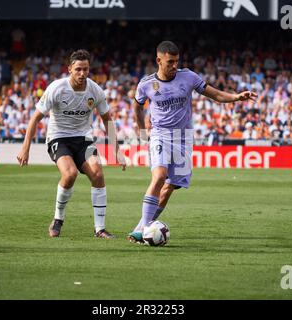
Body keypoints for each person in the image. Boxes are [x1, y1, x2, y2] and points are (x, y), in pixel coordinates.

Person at [128, 41, 257, 243]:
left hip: (184, 138)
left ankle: (140, 229)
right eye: (170, 62)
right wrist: (143, 132)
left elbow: (213, 93)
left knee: (170, 187)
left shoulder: (188, 77)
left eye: (176, 61)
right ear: (158, 61)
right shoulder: (146, 84)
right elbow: (137, 108)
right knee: (160, 175)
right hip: (160, 134)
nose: (174, 66)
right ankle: (144, 226)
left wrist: (236, 97)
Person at [17, 49, 125, 239]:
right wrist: (25, 148)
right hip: (59, 138)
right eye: (78, 70)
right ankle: (58, 219)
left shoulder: (95, 90)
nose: (82, 74)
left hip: (83, 139)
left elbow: (107, 120)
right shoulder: (56, 88)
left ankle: (99, 229)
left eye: (85, 69)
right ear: (70, 69)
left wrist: (117, 150)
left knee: (98, 174)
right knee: (70, 174)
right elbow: (35, 119)